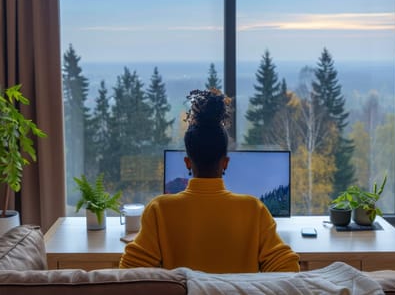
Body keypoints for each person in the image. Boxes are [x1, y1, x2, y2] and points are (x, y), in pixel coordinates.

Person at [119, 89, 300, 273]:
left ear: (187, 162)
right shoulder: (253, 209)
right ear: (225, 163)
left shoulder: (160, 210)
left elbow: (129, 272)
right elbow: (287, 267)